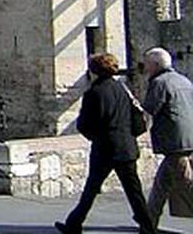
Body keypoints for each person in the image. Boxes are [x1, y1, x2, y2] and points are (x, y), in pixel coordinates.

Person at [55, 53, 157, 234]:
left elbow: (84, 124)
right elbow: (135, 118)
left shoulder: (94, 93)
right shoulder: (122, 89)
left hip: (104, 148)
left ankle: (74, 224)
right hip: (126, 146)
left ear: (94, 70)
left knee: (91, 189)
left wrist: (96, 137)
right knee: (134, 191)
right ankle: (148, 227)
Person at [141, 47, 193, 225]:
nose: (145, 68)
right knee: (162, 183)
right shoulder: (183, 80)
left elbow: (150, 108)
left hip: (175, 141)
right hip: (188, 137)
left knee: (185, 182)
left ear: (155, 64)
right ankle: (149, 219)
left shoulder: (159, 83)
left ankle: (149, 220)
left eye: (147, 64)